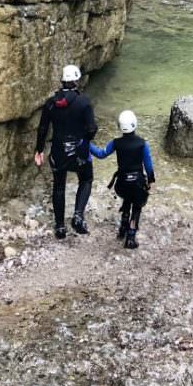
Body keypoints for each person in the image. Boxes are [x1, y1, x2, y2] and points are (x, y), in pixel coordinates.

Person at [34, 64, 98, 239]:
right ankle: (78, 215)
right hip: (79, 151)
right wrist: (85, 140)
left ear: (63, 81)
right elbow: (92, 128)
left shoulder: (51, 103)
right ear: (76, 80)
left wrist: (39, 150)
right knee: (86, 179)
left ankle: (60, 227)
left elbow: (42, 129)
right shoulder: (84, 102)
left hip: (58, 151)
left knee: (59, 186)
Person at [90, 110, 156, 250]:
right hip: (137, 182)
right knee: (137, 204)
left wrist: (86, 144)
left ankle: (123, 226)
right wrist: (150, 181)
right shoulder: (142, 144)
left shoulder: (115, 143)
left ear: (120, 126)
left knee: (127, 197)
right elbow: (148, 165)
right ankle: (131, 236)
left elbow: (101, 154)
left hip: (122, 184)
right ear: (135, 124)